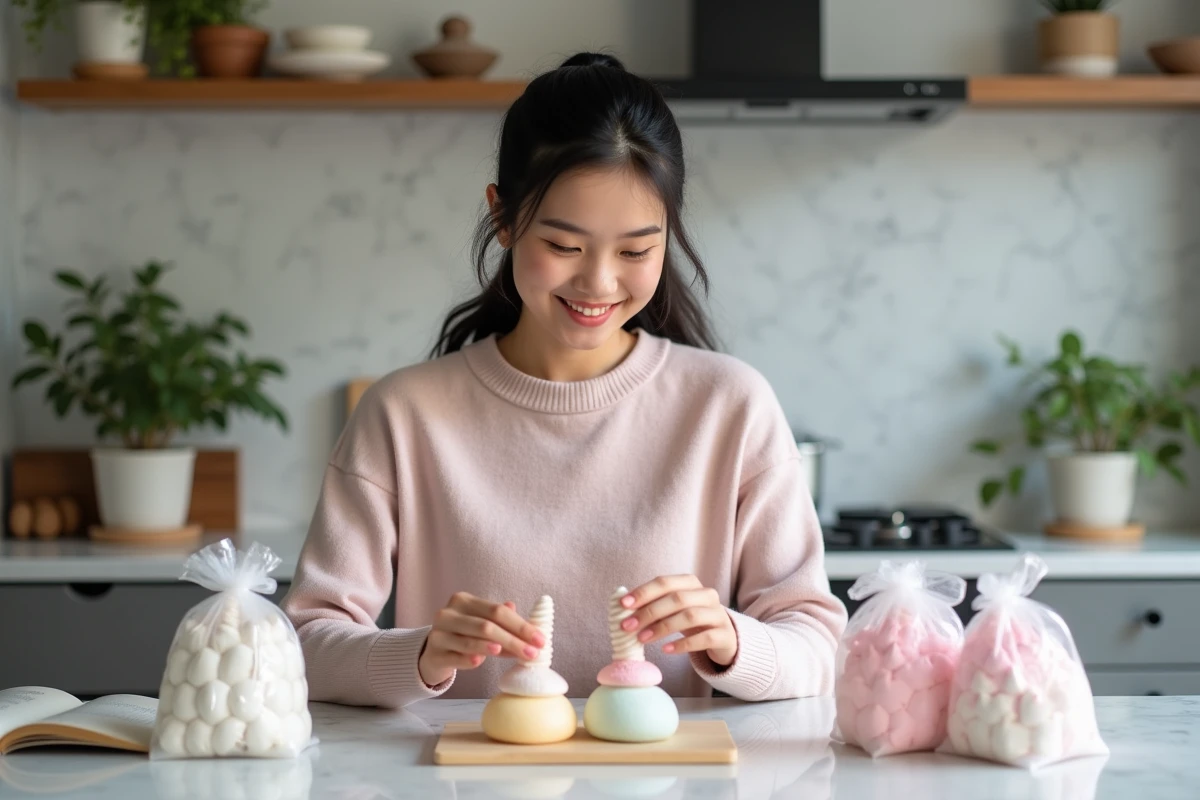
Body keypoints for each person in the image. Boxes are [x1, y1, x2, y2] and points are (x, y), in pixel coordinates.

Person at [279, 52, 847, 709]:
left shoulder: (730, 406)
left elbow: (817, 647)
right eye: (564, 247)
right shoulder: (403, 415)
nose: (599, 283)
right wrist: (423, 656)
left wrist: (732, 642)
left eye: (637, 250)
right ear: (503, 218)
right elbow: (303, 647)